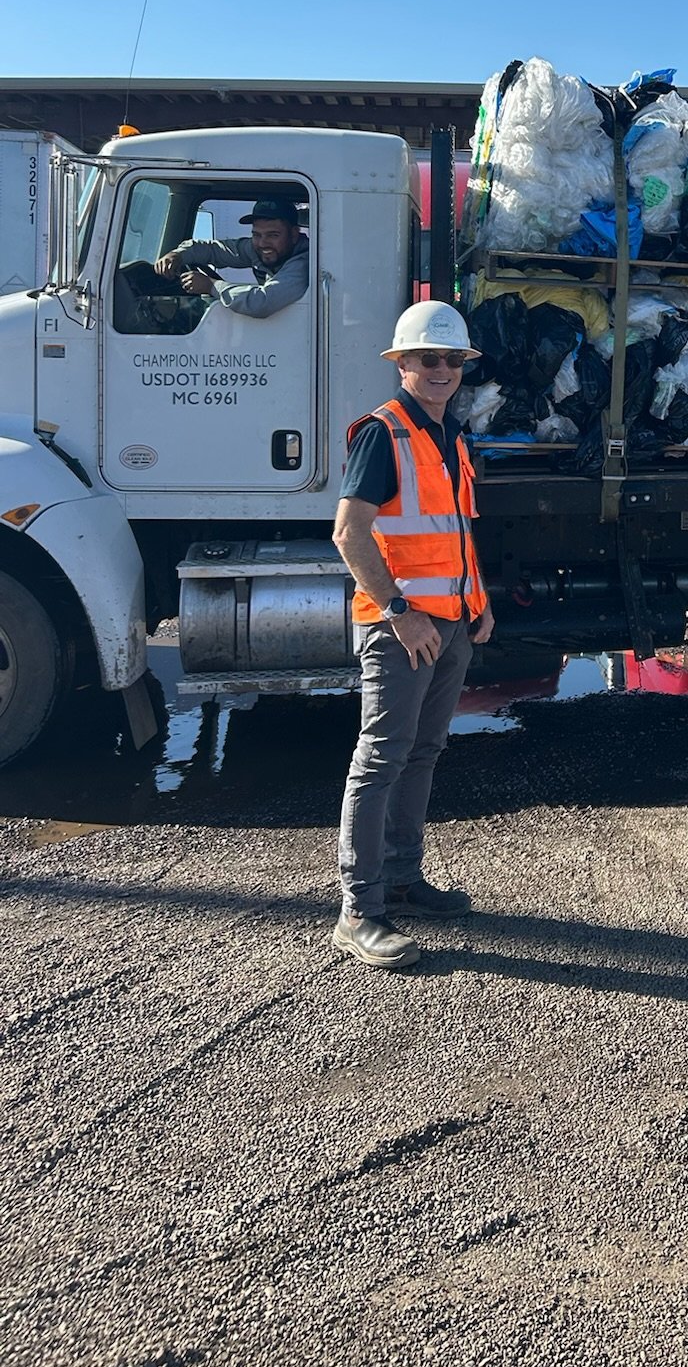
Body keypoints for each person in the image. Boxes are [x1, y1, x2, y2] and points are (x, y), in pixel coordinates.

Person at [330, 300, 495, 970]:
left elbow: (454, 535)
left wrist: (477, 604)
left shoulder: (449, 437)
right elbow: (349, 533)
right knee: (380, 758)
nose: (442, 370)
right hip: (402, 629)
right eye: (429, 358)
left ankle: (403, 875)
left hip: (450, 624)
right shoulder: (384, 433)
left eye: (453, 359)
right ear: (401, 364)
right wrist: (399, 611)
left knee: (422, 752)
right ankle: (358, 911)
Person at [152, 197, 310, 318]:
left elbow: (261, 302)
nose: (263, 243)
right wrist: (177, 255)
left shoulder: (305, 264)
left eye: (273, 235)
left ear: (294, 234)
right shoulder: (262, 249)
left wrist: (211, 286)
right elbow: (214, 250)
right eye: (256, 234)